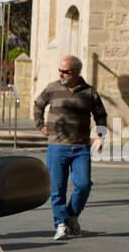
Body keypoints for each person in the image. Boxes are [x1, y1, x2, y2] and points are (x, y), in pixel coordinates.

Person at [33, 55, 107, 241]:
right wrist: (41, 126)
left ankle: (71, 216)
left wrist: (100, 135)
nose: (61, 74)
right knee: (57, 189)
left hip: (81, 148)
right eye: (59, 70)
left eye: (65, 71)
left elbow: (101, 115)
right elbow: (38, 105)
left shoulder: (89, 92)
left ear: (76, 72)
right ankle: (61, 224)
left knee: (83, 185)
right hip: (57, 147)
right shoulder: (52, 88)